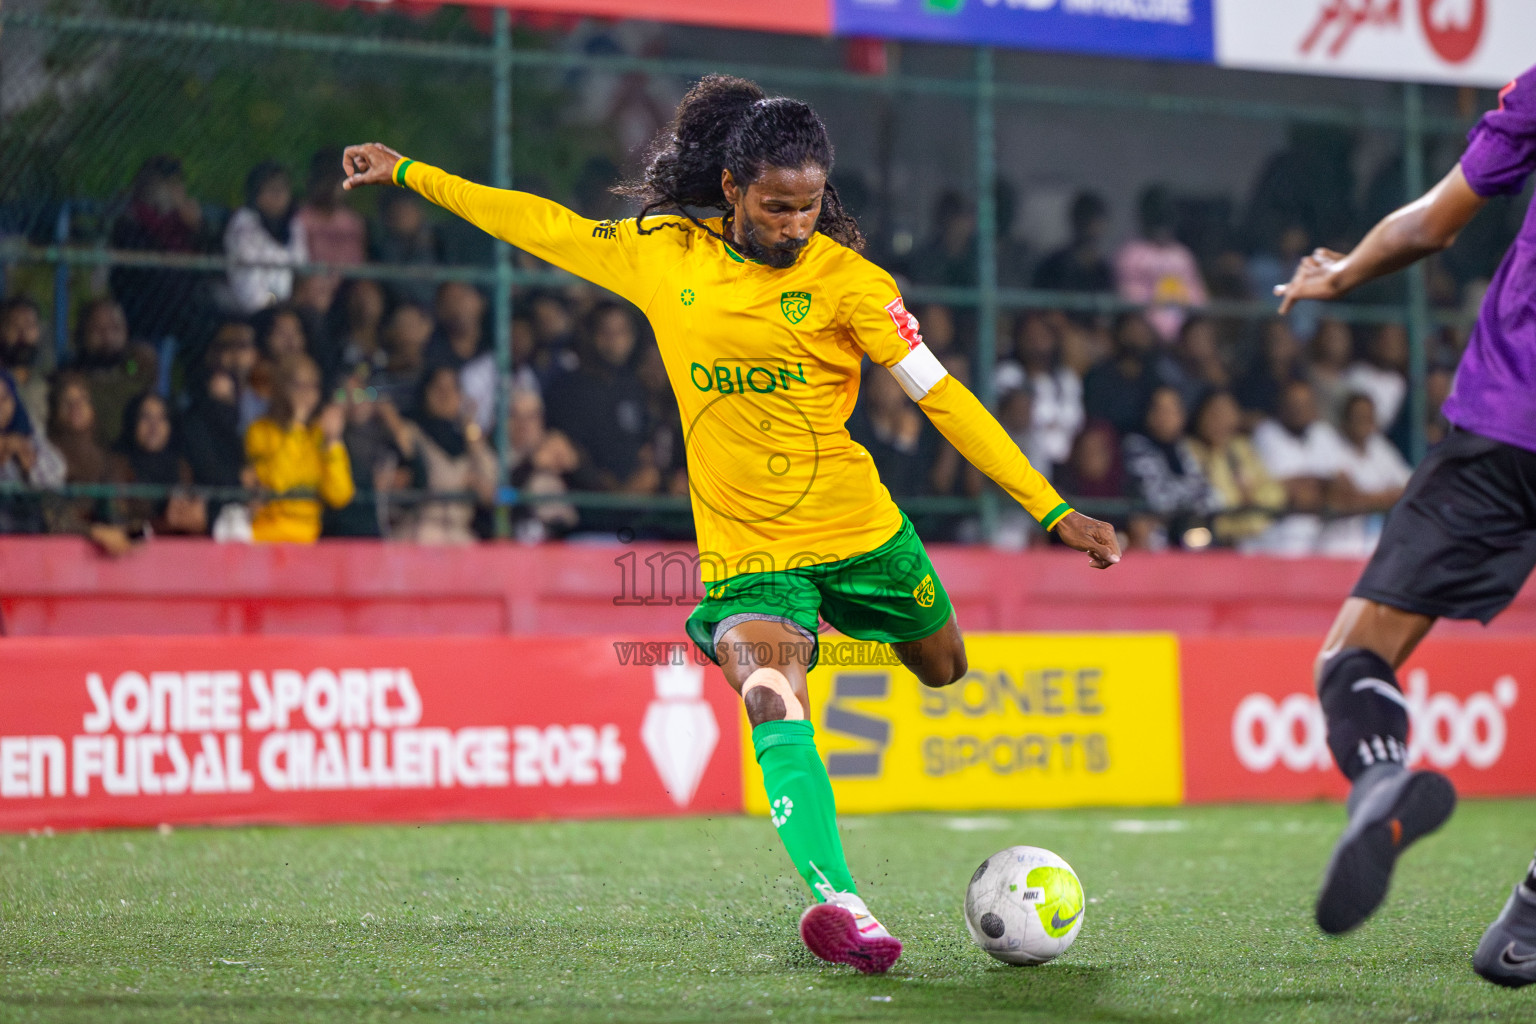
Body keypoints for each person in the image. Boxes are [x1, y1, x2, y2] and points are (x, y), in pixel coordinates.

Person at [342, 74, 1118, 974]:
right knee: (769, 694)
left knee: (945, 668)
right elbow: (539, 223)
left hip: (863, 532)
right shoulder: (664, 253)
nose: (796, 226)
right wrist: (408, 173)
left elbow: (942, 398)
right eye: (778, 207)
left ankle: (875, 656)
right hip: (750, 557)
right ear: (732, 191)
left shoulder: (854, 284)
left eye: (811, 206)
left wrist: (1053, 509)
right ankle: (843, 904)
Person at [1274, 64, 1536, 978]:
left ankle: (1381, 772)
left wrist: (1342, 273)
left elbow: (1434, 222)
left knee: (1355, 653)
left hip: (1506, 423)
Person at [244, 353, 354, 543]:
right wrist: (296, 425)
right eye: (299, 386)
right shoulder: (260, 431)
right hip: (267, 534)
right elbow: (278, 482)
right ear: (282, 388)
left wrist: (333, 441)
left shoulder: (318, 434)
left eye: (313, 386)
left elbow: (340, 495)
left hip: (309, 537)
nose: (307, 394)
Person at [391, 366, 498, 544]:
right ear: (425, 393)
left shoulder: (468, 440)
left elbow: (493, 489)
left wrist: (470, 427)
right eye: (438, 388)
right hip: (419, 531)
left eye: (452, 389)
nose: (445, 395)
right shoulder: (412, 432)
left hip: (458, 534)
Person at [1187, 389, 1285, 549]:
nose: (1219, 420)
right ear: (1200, 415)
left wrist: (1251, 495)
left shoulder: (1242, 448)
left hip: (1253, 541)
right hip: (1210, 542)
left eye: (1226, 413)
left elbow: (1274, 494)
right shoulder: (1189, 451)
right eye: (1214, 413)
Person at [1316, 392, 1411, 558]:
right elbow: (1341, 498)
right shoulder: (1328, 442)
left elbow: (1411, 487)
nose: (1363, 422)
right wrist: (1386, 497)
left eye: (1368, 417)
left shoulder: (1379, 447)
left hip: (1372, 549)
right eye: (1358, 416)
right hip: (1335, 547)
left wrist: (1365, 499)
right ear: (1345, 420)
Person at [1120, 386, 1213, 550]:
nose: (1165, 417)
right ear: (1149, 413)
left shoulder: (1187, 449)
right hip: (1154, 538)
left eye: (1171, 410)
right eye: (1159, 409)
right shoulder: (1136, 447)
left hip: (1191, 533)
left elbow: (1207, 495)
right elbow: (1159, 500)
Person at [1114, 184, 1207, 343]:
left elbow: (1198, 300)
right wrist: (1158, 333)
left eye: (1165, 217)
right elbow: (1132, 301)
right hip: (1148, 337)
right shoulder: (1131, 254)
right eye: (1157, 217)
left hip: (1183, 338)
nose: (1161, 226)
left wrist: (1185, 330)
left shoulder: (1183, 255)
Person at [107, 392, 206, 536]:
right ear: (132, 422)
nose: (154, 426)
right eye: (146, 417)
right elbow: (116, 521)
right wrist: (163, 523)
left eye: (162, 418)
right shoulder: (117, 465)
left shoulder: (182, 467)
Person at [69, 298, 156, 449]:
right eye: (98, 329)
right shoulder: (74, 380)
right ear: (83, 333)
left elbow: (138, 364)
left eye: (115, 328)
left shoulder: (130, 368)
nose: (108, 336)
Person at [225, 161, 307, 314]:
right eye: (271, 190)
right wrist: (274, 305)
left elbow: (301, 267)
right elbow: (248, 283)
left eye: (283, 189)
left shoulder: (293, 224)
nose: (279, 196)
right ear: (256, 194)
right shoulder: (243, 222)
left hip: (288, 306)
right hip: (251, 307)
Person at [0, 369, 65, 533]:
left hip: (29, 531)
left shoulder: (27, 430)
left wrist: (28, 463)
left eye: (4, 399)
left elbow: (57, 474)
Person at [1032, 190, 1114, 295]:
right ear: (1075, 220)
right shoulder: (1053, 266)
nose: (1092, 227)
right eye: (1085, 219)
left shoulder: (1102, 271)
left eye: (1096, 221)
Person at [0, 295, 49, 429]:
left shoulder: (49, 383)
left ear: (38, 332)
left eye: (29, 325)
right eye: (14, 325)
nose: (22, 333)